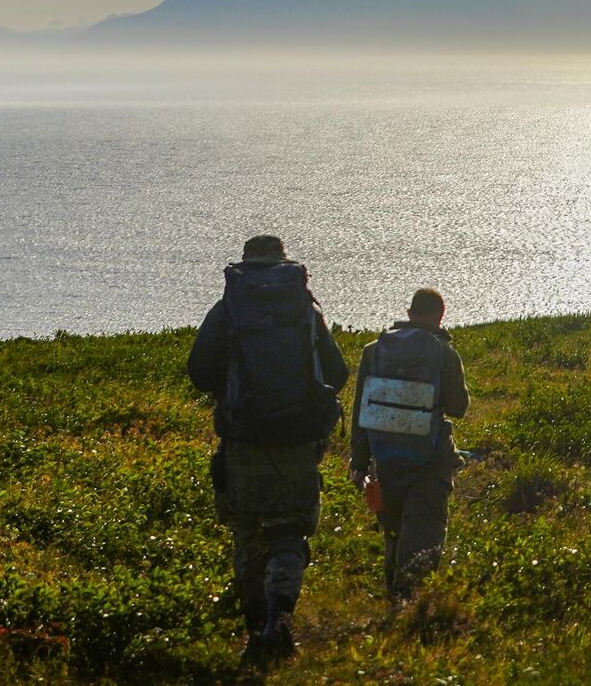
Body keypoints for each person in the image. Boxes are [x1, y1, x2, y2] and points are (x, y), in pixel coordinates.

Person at [187, 234, 349, 663]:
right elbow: (338, 371)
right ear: (284, 262)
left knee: (247, 533)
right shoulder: (305, 311)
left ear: (244, 265)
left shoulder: (227, 310)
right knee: (288, 531)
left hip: (243, 441)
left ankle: (254, 628)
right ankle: (279, 619)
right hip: (298, 441)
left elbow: (199, 373)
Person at [349, 287, 469, 600]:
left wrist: (358, 462)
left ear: (409, 311)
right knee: (424, 535)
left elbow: (362, 411)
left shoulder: (373, 350)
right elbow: (458, 407)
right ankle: (412, 607)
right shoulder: (445, 353)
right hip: (429, 462)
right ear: (440, 316)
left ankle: (393, 601)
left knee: (393, 534)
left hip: (384, 459)